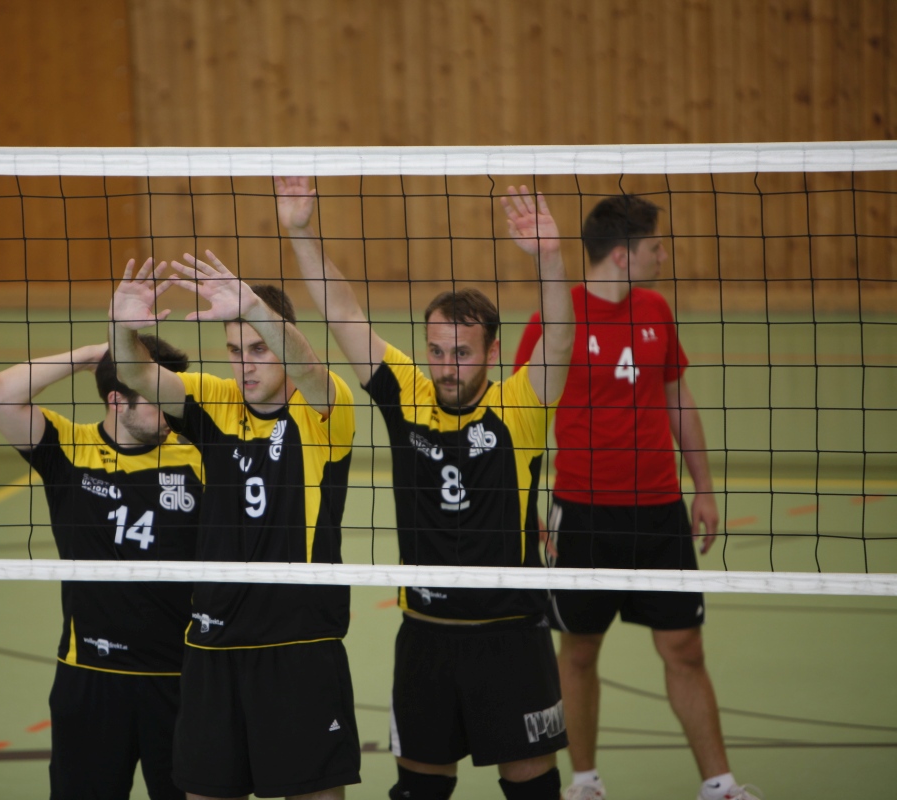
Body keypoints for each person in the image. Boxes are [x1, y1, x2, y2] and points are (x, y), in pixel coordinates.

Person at [277, 176, 575, 800]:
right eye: (436, 351)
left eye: (461, 353)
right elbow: (343, 313)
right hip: (425, 635)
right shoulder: (407, 395)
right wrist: (300, 231)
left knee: (532, 788)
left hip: (510, 634)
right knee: (419, 789)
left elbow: (560, 339)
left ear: (492, 351)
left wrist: (550, 258)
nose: (446, 367)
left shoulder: (520, 407)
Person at [512, 194, 759, 800]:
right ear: (622, 254)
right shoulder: (556, 318)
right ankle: (585, 782)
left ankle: (720, 784)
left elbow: (677, 398)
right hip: (582, 513)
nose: (663, 256)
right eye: (656, 246)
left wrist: (704, 489)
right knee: (579, 651)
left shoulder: (656, 311)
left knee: (685, 648)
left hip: (660, 512)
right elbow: (521, 416)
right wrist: (527, 505)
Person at [109, 253, 360, 800]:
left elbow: (309, 369)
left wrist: (254, 308)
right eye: (234, 350)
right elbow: (135, 374)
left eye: (259, 349)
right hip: (214, 643)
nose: (245, 365)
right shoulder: (217, 401)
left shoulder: (323, 410)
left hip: (299, 643)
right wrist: (122, 327)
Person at [0, 337, 202, 800]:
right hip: (90, 677)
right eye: (157, 398)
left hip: (182, 680)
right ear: (117, 400)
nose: (172, 411)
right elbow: (0, 391)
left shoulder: (199, 457)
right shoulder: (69, 449)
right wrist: (92, 354)